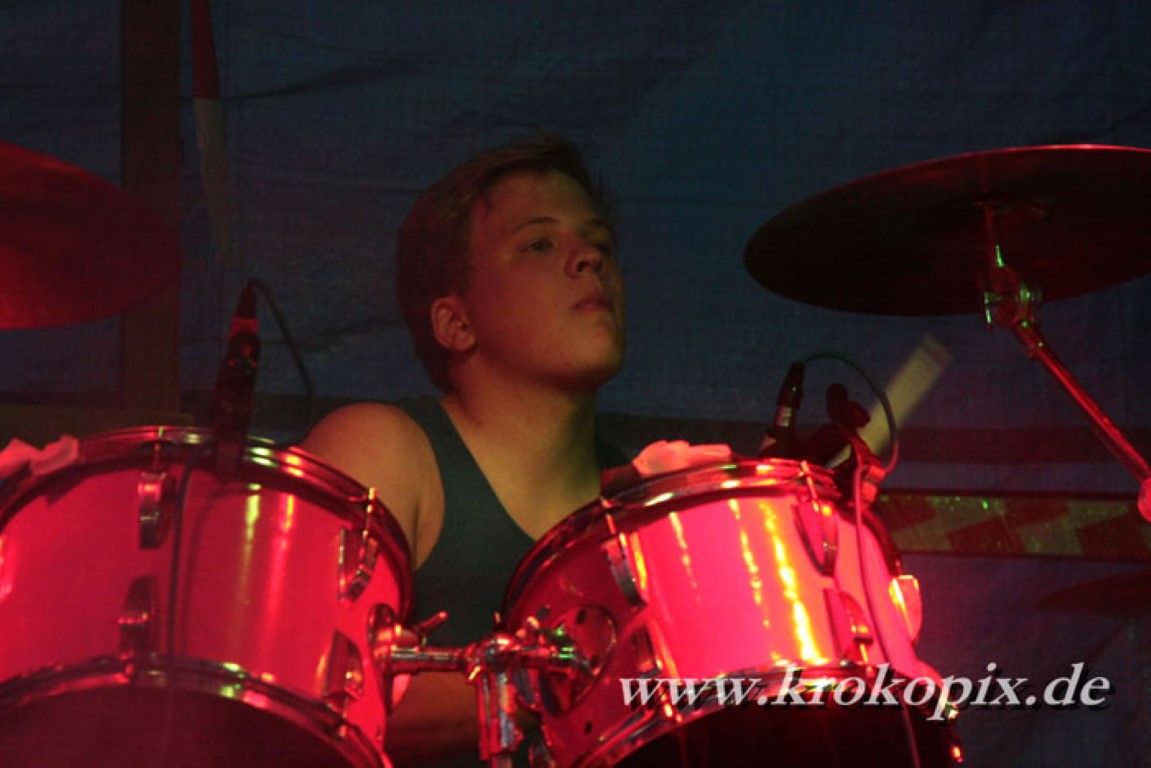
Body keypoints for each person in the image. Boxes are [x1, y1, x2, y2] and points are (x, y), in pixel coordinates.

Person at [301, 134, 727, 766]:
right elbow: (310, 691)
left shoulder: (645, 505)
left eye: (601, 244)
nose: (590, 259)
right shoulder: (385, 447)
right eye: (539, 244)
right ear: (456, 322)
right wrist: (564, 669)